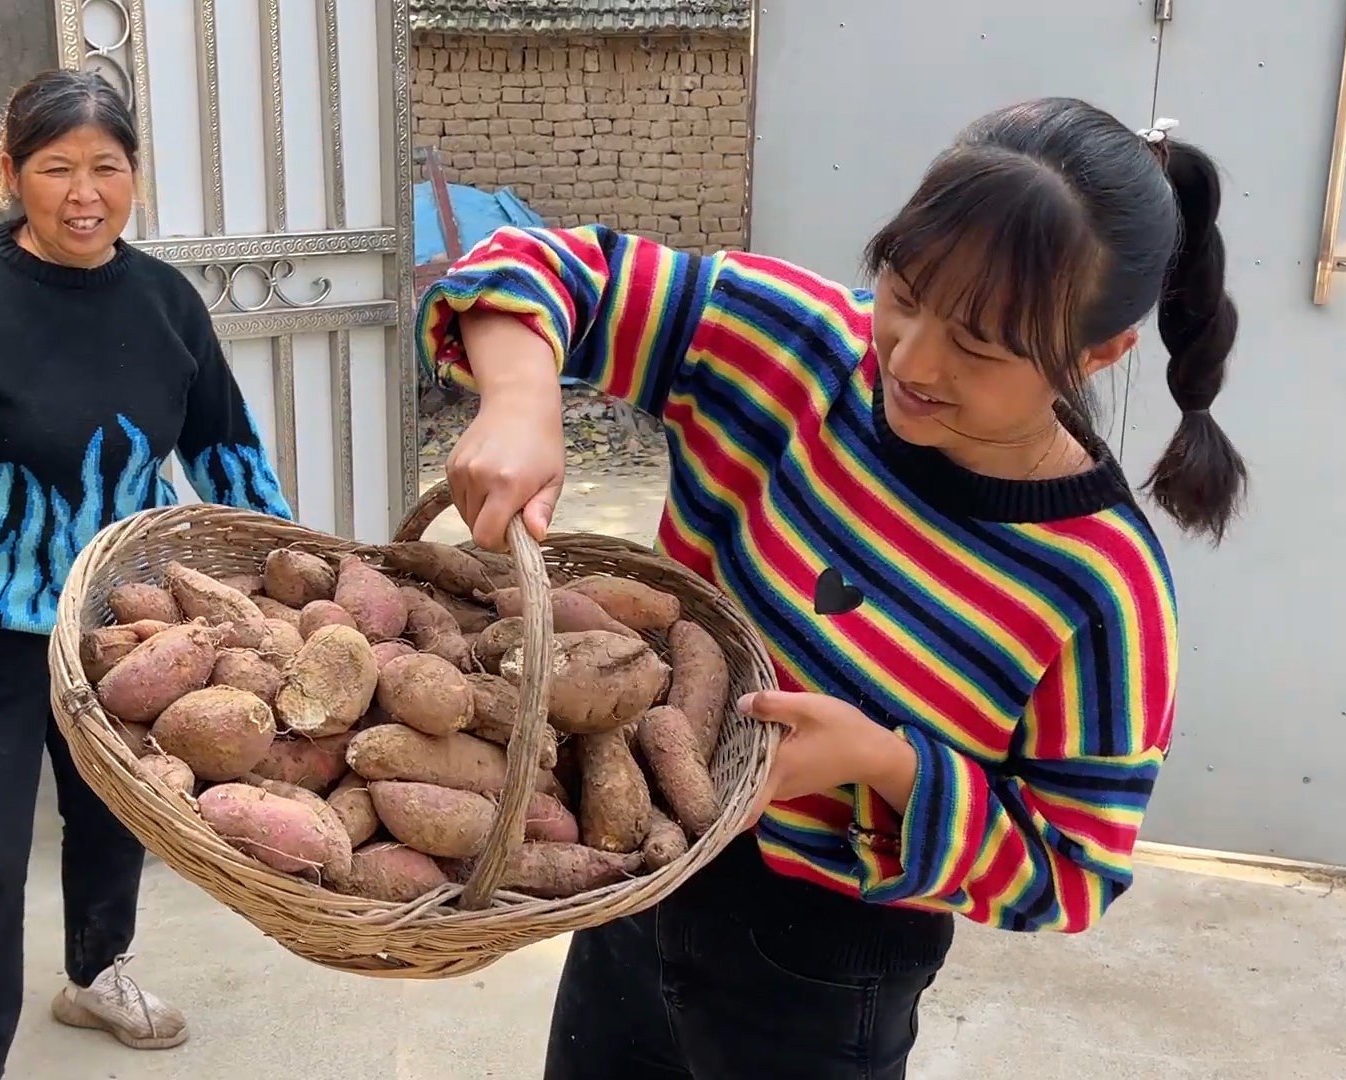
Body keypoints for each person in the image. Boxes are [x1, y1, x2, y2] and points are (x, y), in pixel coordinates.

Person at [418, 98, 1246, 1078]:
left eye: (978, 345)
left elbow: (1073, 869)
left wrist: (888, 766)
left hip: (823, 968)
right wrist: (522, 395)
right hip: (637, 859)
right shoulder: (795, 346)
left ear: (1100, 352)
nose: (910, 357)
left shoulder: (1100, 589)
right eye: (904, 291)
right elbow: (550, 268)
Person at [0, 68, 292, 1078]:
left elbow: (225, 450)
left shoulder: (165, 302)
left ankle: (95, 977)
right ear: (9, 173)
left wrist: (285, 570)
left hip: (113, 628)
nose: (84, 192)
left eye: (107, 166)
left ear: (134, 175)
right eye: (57, 168)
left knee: (111, 824)